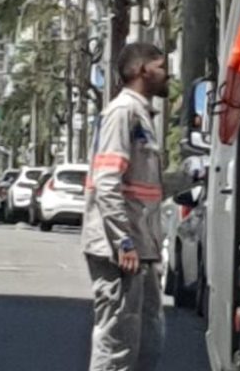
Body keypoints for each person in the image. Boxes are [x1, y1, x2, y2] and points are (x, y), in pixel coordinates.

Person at [82, 42, 170, 371]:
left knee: (145, 337)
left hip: (139, 248)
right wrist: (124, 242)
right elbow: (107, 183)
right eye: (160, 67)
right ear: (141, 71)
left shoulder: (141, 115)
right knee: (117, 340)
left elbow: (143, 185)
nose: (167, 74)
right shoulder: (122, 113)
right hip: (120, 250)